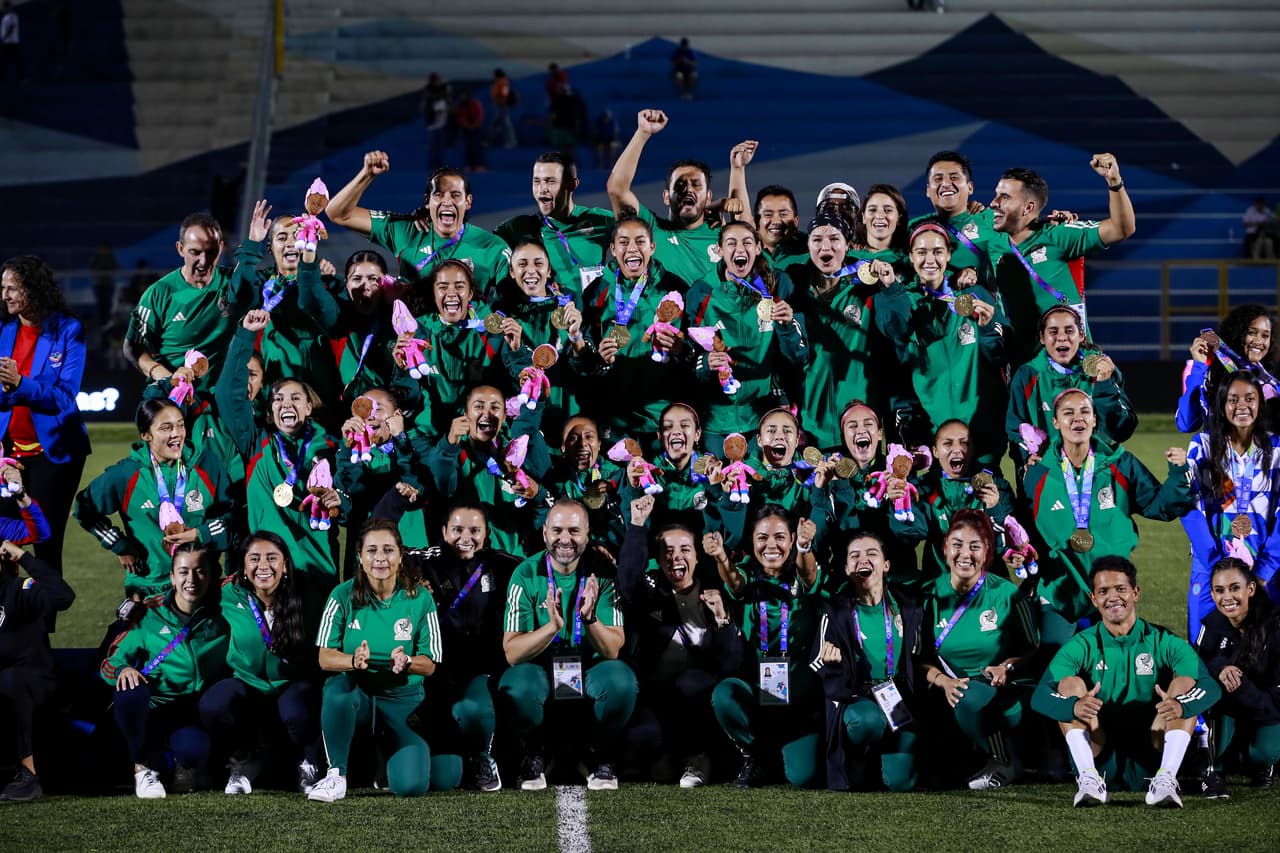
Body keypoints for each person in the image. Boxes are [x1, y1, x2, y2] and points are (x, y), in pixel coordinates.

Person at [1032, 556, 1221, 808]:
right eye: (1103, 591)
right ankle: (1088, 779)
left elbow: (1209, 686)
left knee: (1184, 685)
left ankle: (1165, 780)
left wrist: (1181, 705)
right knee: (1068, 687)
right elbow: (1040, 695)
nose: (1112, 597)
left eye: (1120, 589)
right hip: (1100, 751)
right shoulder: (1082, 644)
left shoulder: (1162, 640)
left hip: (1154, 750)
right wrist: (1073, 707)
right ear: (1093, 599)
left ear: (1135, 593)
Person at [1024, 388, 1194, 643]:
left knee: (1113, 673)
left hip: (1111, 591)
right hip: (1059, 594)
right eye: (1068, 413)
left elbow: (1161, 507)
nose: (1077, 418)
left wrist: (1179, 474)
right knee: (1056, 673)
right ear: (1056, 422)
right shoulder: (1037, 475)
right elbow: (1024, 533)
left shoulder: (1122, 464)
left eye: (1085, 411)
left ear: (1094, 419)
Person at [310, 519, 456, 802]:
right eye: (372, 550)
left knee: (428, 782)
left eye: (388, 550)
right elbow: (324, 658)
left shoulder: (420, 597)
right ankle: (335, 774)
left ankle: (391, 752)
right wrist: (353, 661)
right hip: (360, 698)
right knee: (337, 690)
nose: (380, 558)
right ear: (359, 557)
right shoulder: (341, 596)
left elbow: (431, 662)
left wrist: (408, 661)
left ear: (401, 556)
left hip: (403, 700)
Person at [499, 500, 636, 791]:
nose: (565, 539)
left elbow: (612, 649)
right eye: (557, 530)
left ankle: (600, 755)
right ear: (545, 532)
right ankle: (533, 753)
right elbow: (512, 653)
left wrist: (590, 618)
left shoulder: (603, 572)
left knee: (620, 681)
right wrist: (553, 627)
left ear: (587, 534)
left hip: (589, 666)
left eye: (574, 531)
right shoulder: (525, 573)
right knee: (517, 683)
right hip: (540, 667)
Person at [216, 310, 343, 613]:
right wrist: (245, 335)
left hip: (318, 568)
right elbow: (227, 395)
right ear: (270, 410)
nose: (286, 404)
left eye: (296, 398)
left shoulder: (331, 448)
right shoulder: (257, 441)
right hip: (268, 571)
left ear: (310, 407)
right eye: (278, 399)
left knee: (314, 652)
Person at [617, 494, 743, 786]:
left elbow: (731, 664)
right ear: (658, 557)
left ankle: (698, 756)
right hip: (656, 697)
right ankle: (670, 755)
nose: (676, 557)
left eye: (685, 549)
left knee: (692, 682)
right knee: (644, 748)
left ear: (697, 556)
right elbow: (626, 581)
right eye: (667, 550)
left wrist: (723, 620)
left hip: (699, 699)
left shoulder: (715, 592)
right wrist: (637, 524)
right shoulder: (650, 589)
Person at [919, 510, 1039, 790]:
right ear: (945, 547)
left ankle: (1004, 760)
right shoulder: (927, 596)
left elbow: (1032, 647)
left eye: (975, 547)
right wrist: (943, 681)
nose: (965, 554)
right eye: (958, 544)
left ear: (987, 552)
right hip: (942, 692)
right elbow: (918, 658)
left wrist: (1006, 666)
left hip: (996, 691)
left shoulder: (1007, 594)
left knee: (968, 694)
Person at [873, 222, 1012, 465]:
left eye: (937, 252)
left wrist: (989, 329)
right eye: (921, 252)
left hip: (982, 429)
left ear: (948, 254)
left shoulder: (974, 295)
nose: (930, 259)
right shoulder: (900, 300)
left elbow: (1000, 357)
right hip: (933, 433)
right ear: (910, 256)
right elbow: (896, 342)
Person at [707, 506, 826, 788]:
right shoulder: (748, 571)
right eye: (762, 538)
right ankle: (753, 755)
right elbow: (734, 584)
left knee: (803, 776)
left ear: (793, 538)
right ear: (751, 540)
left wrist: (805, 547)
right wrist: (722, 557)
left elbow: (809, 576)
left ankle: (772, 757)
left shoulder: (801, 570)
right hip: (756, 699)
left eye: (780, 537)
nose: (770, 545)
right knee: (725, 694)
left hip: (798, 706)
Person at [198, 532, 322, 795]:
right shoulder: (227, 594)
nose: (262, 566)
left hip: (292, 684)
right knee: (214, 704)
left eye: (271, 558)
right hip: (247, 682)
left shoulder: (308, 595)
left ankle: (309, 761)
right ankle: (242, 760)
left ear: (285, 565)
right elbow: (184, 592)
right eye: (254, 558)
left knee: (298, 710)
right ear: (243, 566)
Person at [101, 544, 229, 798]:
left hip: (194, 711)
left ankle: (184, 762)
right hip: (155, 708)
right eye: (183, 572)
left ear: (211, 575)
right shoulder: (148, 613)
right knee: (129, 691)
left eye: (199, 571)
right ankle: (143, 766)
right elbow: (109, 662)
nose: (191, 580)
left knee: (193, 751)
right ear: (171, 577)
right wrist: (122, 670)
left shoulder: (224, 611)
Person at [75, 399, 233, 600]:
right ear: (145, 435)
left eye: (180, 425)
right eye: (166, 428)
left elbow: (230, 518)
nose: (176, 434)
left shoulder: (207, 465)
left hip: (201, 585)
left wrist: (199, 534)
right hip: (149, 588)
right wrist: (118, 544)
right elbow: (84, 508)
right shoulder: (126, 474)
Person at [989, 156, 1135, 362]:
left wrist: (1114, 182)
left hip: (1072, 364)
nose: (993, 203)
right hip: (1023, 369)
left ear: (1028, 207)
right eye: (996, 195)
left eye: (1004, 197)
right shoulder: (990, 239)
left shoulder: (1059, 235)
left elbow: (1122, 228)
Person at [415, 505, 519, 792]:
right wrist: (407, 580)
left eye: (475, 531)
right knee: (443, 779)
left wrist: (595, 552)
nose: (466, 537)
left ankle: (482, 756)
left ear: (486, 535)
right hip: (435, 671)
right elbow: (381, 550)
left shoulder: (500, 564)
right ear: (444, 532)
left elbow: (544, 562)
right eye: (457, 530)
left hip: (479, 671)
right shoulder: (424, 562)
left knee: (473, 708)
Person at [684, 220, 809, 453]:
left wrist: (787, 325)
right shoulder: (700, 292)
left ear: (758, 248)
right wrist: (704, 364)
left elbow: (799, 357)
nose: (739, 249)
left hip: (764, 418)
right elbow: (686, 358)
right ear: (719, 251)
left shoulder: (779, 285)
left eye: (747, 242)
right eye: (731, 243)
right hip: (716, 421)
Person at [0, 255, 91, 572]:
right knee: (2, 538)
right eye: (3, 288)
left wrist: (20, 384)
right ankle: (7, 617)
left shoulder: (69, 331)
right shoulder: (5, 332)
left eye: (13, 288)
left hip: (54, 454)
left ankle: (44, 622)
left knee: (45, 541)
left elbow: (65, 397)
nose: (5, 295)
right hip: (10, 454)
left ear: (34, 289)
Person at [814, 532, 923, 792]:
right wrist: (833, 666)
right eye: (855, 556)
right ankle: (859, 759)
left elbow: (919, 658)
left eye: (871, 553)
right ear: (847, 568)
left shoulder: (909, 607)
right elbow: (817, 665)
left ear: (886, 565)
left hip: (897, 701)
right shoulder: (835, 611)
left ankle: (886, 761)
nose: (863, 560)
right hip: (857, 700)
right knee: (868, 722)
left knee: (901, 782)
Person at [576, 216, 692, 441]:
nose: (632, 249)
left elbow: (692, 353)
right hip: (615, 416)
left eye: (640, 241)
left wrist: (681, 350)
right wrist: (597, 358)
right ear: (612, 248)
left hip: (663, 415)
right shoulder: (597, 291)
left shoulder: (674, 288)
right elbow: (585, 358)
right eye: (624, 242)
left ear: (652, 247)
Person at [326, 153, 509, 293]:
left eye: (455, 195)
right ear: (427, 201)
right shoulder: (406, 230)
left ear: (468, 202)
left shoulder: (492, 248)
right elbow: (338, 214)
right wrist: (366, 174)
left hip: (468, 342)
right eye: (438, 195)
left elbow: (514, 302)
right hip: (414, 339)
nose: (446, 201)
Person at [1183, 372, 1280, 636]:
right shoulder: (1202, 447)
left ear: (1260, 403)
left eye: (1250, 398)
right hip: (1210, 562)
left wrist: (1264, 571)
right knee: (1204, 646)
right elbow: (1188, 506)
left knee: (1264, 651)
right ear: (1222, 404)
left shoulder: (1277, 448)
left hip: (1262, 564)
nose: (1242, 406)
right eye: (1233, 399)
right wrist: (1216, 566)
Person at [785, 214, 892, 451]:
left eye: (835, 238)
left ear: (847, 244)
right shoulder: (793, 291)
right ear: (808, 245)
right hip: (810, 423)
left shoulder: (868, 287)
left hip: (860, 423)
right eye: (817, 239)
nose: (826, 246)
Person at [390, 259, 530, 438]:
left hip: (481, 435)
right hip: (430, 435)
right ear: (433, 294)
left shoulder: (494, 333)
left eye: (459, 286)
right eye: (442, 287)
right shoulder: (417, 333)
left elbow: (522, 390)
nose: (451, 293)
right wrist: (402, 372)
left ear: (470, 293)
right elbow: (408, 401)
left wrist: (517, 351)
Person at [124, 213, 253, 389]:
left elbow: (279, 282)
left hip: (221, 398)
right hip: (173, 397)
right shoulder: (159, 293)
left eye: (211, 251)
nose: (204, 261)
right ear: (180, 249)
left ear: (221, 248)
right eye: (195, 252)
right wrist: (168, 378)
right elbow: (133, 347)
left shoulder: (234, 284)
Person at [425, 384, 552, 560]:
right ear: (465, 415)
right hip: (469, 563)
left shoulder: (519, 453)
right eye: (478, 406)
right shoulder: (454, 455)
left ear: (504, 415)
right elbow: (443, 484)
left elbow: (544, 512)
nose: (487, 413)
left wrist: (537, 494)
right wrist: (450, 442)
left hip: (512, 562)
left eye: (495, 407)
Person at [1007, 305, 1135, 472]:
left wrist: (1105, 385)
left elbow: (1122, 430)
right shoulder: (1028, 375)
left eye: (1069, 331)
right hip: (1047, 471)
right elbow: (1015, 427)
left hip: (1097, 472)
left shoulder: (1102, 370)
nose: (1061, 337)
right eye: (1053, 332)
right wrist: (1026, 456)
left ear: (1081, 334)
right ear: (1042, 338)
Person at [889, 420, 1016, 585]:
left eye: (964, 443)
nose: (957, 449)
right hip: (940, 584)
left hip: (988, 586)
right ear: (935, 451)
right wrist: (899, 502)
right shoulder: (923, 487)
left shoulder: (996, 486)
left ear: (972, 450)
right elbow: (908, 534)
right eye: (948, 443)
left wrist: (995, 509)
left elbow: (1007, 545)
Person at [1194, 558, 1280, 797]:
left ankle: (1262, 762)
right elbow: (1195, 664)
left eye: (1234, 588)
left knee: (1263, 754)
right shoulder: (1211, 624)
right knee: (1211, 688)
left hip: (1269, 706)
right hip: (1230, 706)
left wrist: (1242, 689)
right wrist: (1220, 667)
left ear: (1250, 589)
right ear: (1211, 594)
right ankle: (1213, 768)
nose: (1227, 597)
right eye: (1219, 590)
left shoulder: (1274, 624)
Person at [607, 110, 721, 285]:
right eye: (680, 184)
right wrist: (642, 134)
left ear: (708, 197)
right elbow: (617, 189)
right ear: (666, 196)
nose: (688, 189)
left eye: (696, 184)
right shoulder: (650, 230)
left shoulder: (724, 236)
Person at [0, 541, 75, 802]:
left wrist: (23, 557)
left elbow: (63, 597)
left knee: (10, 680)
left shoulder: (19, 590)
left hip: (33, 683)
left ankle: (29, 774)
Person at [494, 152, 615, 297]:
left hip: (595, 316)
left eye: (550, 181)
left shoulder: (600, 220)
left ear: (572, 185)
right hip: (550, 318)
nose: (542, 189)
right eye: (537, 181)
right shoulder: (518, 228)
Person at [297, 249, 397, 403]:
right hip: (349, 413)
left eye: (373, 279)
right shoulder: (339, 316)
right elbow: (310, 299)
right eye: (357, 279)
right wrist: (309, 258)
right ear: (347, 284)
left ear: (386, 282)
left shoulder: (398, 318)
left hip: (393, 410)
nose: (365, 287)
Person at [1178, 304, 1278, 434]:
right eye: (1252, 333)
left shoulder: (1270, 380)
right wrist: (1199, 367)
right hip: (1218, 452)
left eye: (1265, 336)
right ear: (1238, 333)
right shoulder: (1207, 372)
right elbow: (1186, 424)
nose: (1259, 341)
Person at [753, 185, 809, 271]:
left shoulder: (812, 254)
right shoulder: (746, 254)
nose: (776, 221)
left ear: (795, 221)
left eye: (783, 214)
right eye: (768, 215)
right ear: (757, 222)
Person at [421, 73, 451, 171]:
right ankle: (434, 167)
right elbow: (428, 108)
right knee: (434, 148)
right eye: (436, 81)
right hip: (434, 126)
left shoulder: (442, 94)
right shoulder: (430, 95)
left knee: (439, 148)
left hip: (441, 125)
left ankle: (438, 166)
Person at [455, 89, 486, 173]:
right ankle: (468, 165)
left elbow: (480, 114)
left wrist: (475, 125)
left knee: (477, 147)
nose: (463, 97)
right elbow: (460, 117)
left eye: (464, 96)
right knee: (467, 147)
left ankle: (479, 165)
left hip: (476, 128)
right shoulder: (460, 106)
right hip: (466, 129)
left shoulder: (475, 103)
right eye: (462, 96)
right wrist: (467, 125)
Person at [488, 69, 518, 150]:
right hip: (499, 105)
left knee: (506, 124)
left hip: (502, 106)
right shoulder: (499, 82)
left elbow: (505, 93)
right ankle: (491, 141)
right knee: (497, 124)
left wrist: (502, 100)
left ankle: (512, 142)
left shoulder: (503, 82)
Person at [0, 2, 23, 83]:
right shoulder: (6, 17)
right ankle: (5, 76)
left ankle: (22, 77)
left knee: (13, 60)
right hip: (8, 42)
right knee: (7, 60)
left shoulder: (12, 16)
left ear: (8, 7)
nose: (1, 9)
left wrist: (4, 38)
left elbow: (11, 28)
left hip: (11, 42)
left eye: (3, 7)